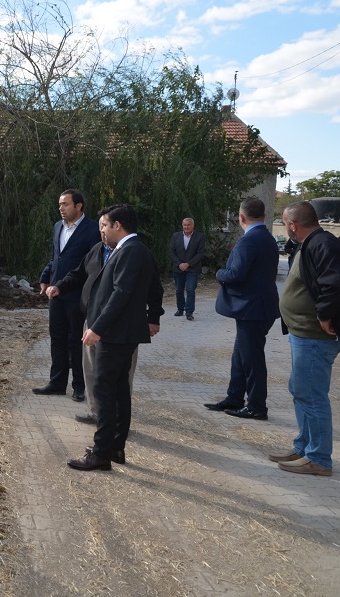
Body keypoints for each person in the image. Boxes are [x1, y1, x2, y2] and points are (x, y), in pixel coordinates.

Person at [66, 204, 162, 471]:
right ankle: (115, 447)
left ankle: (101, 453)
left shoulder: (131, 251)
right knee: (118, 391)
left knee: (105, 391)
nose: (103, 231)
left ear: (117, 225)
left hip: (116, 334)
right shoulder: (130, 250)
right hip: (119, 332)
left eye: (105, 225)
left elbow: (120, 294)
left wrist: (97, 328)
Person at [269, 201, 340, 476]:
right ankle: (305, 447)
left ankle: (318, 458)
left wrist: (325, 315)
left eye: (285, 223)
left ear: (293, 226)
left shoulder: (323, 244)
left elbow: (337, 284)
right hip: (303, 334)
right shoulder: (311, 243)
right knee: (301, 390)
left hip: (315, 337)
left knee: (312, 395)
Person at [204, 197, 280, 420]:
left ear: (241, 217)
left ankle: (257, 406)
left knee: (252, 359)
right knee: (240, 357)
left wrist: (219, 273)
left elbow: (236, 274)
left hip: (252, 309)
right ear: (264, 216)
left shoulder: (249, 240)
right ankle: (234, 398)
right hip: (259, 308)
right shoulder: (267, 237)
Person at [34, 189, 100, 401]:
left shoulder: (92, 230)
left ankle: (79, 386)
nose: (61, 208)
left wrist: (68, 285)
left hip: (77, 295)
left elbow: (91, 264)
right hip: (55, 294)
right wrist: (46, 276)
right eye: (60, 204)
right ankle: (57, 382)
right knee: (57, 338)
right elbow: (56, 257)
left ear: (79, 206)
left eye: (65, 204)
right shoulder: (57, 227)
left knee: (76, 341)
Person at [169, 217, 206, 321]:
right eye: (184, 225)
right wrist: (179, 264)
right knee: (179, 290)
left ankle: (189, 312)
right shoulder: (176, 236)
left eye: (188, 225)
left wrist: (188, 264)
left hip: (193, 268)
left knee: (190, 289)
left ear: (192, 226)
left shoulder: (200, 237)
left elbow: (200, 253)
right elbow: (172, 251)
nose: (186, 227)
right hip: (178, 268)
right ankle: (180, 309)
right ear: (182, 225)